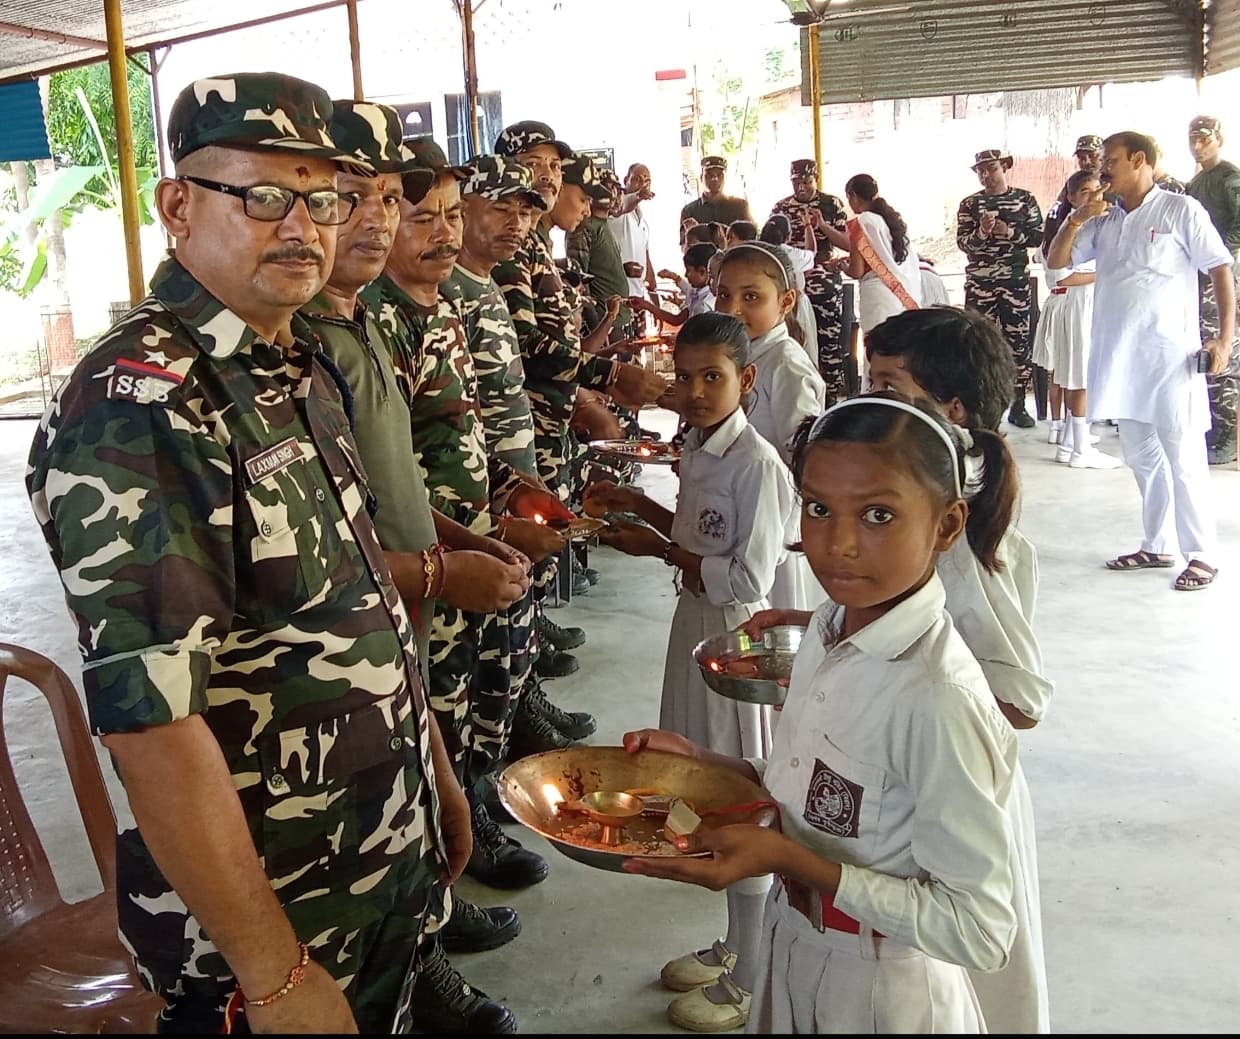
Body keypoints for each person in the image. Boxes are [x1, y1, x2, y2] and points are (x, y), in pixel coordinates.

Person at [25, 72, 466, 1034]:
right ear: (178, 206)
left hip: (371, 851)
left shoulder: (292, 359)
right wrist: (271, 975)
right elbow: (153, 721)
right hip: (265, 915)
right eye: (264, 195)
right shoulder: (144, 401)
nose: (305, 225)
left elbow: (360, 594)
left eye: (326, 197)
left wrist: (428, 770)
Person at [622, 392, 1022, 1034]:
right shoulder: (829, 628)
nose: (837, 544)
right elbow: (826, 786)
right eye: (817, 508)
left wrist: (789, 859)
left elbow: (979, 929)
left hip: (879, 987)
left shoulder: (938, 696)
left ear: (947, 526)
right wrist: (712, 767)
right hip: (796, 945)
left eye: (879, 514)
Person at [300, 103, 534, 1034]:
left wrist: (459, 543)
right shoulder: (302, 347)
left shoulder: (348, 329)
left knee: (408, 816)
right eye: (342, 197)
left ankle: (421, 943)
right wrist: (440, 576)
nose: (375, 219)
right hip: (341, 660)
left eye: (388, 198)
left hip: (400, 627)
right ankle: (414, 962)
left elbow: (378, 493)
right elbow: (314, 559)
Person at [588, 312, 801, 1032]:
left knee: (738, 795)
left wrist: (658, 551)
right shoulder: (698, 446)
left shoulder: (759, 466)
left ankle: (752, 970)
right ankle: (736, 944)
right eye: (684, 376)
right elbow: (691, 533)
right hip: (692, 623)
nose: (697, 390)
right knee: (697, 789)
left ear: (746, 380)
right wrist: (639, 504)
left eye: (713, 377)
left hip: (735, 640)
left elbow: (747, 579)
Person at [864, 307, 1057, 1031]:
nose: (865, 400)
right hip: (924, 782)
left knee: (971, 990)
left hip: (960, 794)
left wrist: (904, 692)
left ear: (949, 413)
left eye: (887, 385)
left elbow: (1019, 695)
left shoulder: (955, 535)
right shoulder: (920, 511)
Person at [1047, 131, 1235, 591]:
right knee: (1142, 457)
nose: (1102, 169)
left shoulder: (1179, 209)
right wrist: (1076, 219)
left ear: (1139, 160)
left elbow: (1219, 267)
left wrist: (1224, 339)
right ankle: (1158, 543)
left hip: (1169, 357)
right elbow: (1056, 264)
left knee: (1184, 456)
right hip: (1119, 358)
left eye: (1110, 161)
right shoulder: (1104, 219)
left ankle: (1202, 555)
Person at [1032, 170, 1119, 469]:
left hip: (1084, 304)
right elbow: (1061, 276)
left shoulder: (1097, 224)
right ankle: (1081, 449)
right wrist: (1107, 273)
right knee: (1078, 376)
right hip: (1076, 305)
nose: (1094, 196)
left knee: (1076, 375)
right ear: (1070, 197)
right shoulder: (1070, 225)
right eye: (1085, 191)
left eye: (1098, 190)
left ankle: (1070, 442)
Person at [957, 148, 1044, 428]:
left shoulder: (1024, 199)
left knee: (1018, 344)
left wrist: (1008, 233)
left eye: (991, 168)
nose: (986, 175)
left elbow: (1038, 237)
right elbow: (963, 243)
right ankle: (981, 408)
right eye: (980, 170)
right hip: (980, 283)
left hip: (1014, 282)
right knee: (977, 344)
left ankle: (1018, 405)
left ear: (1004, 167)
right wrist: (982, 232)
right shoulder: (970, 204)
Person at [769, 159, 851, 404]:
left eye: (806, 181)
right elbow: (774, 245)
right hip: (793, 284)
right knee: (794, 340)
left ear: (815, 179)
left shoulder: (831, 204)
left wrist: (821, 226)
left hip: (824, 281)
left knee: (829, 344)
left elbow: (845, 241)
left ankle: (831, 398)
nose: (801, 187)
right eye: (796, 182)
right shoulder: (781, 207)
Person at [1185, 115, 1240, 464]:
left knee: (1225, 351)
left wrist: (1215, 257)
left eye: (1204, 138)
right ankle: (1211, 430)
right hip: (1199, 277)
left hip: (1222, 278)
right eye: (1192, 138)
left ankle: (1227, 435)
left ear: (1218, 138)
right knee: (1203, 348)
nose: (1197, 145)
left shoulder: (1229, 179)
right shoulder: (1197, 181)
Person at [837, 174, 921, 343]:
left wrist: (841, 265)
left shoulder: (861, 222)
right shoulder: (890, 220)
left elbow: (856, 271)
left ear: (853, 196)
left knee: (877, 352)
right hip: (901, 294)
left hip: (877, 298)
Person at [566, 167, 635, 340]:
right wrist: (597, 328)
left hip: (619, 320)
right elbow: (580, 280)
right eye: (608, 187)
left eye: (617, 189)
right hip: (604, 324)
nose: (614, 194)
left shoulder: (604, 225)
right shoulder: (584, 228)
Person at [629, 242, 717, 327]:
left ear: (702, 272)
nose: (686, 275)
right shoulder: (697, 293)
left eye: (688, 271)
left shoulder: (703, 305)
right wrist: (645, 305)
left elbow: (698, 339)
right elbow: (677, 319)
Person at [608, 161, 657, 300]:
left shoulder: (642, 220)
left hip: (638, 294)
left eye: (647, 181)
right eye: (637, 179)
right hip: (618, 294)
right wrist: (638, 196)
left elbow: (645, 255)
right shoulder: (616, 206)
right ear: (626, 180)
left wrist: (653, 291)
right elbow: (622, 206)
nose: (643, 185)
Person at [681, 155, 754, 234]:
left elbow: (750, 237)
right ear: (701, 177)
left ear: (725, 178)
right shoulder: (689, 211)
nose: (715, 179)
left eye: (719, 175)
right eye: (709, 175)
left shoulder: (740, 206)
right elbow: (684, 243)